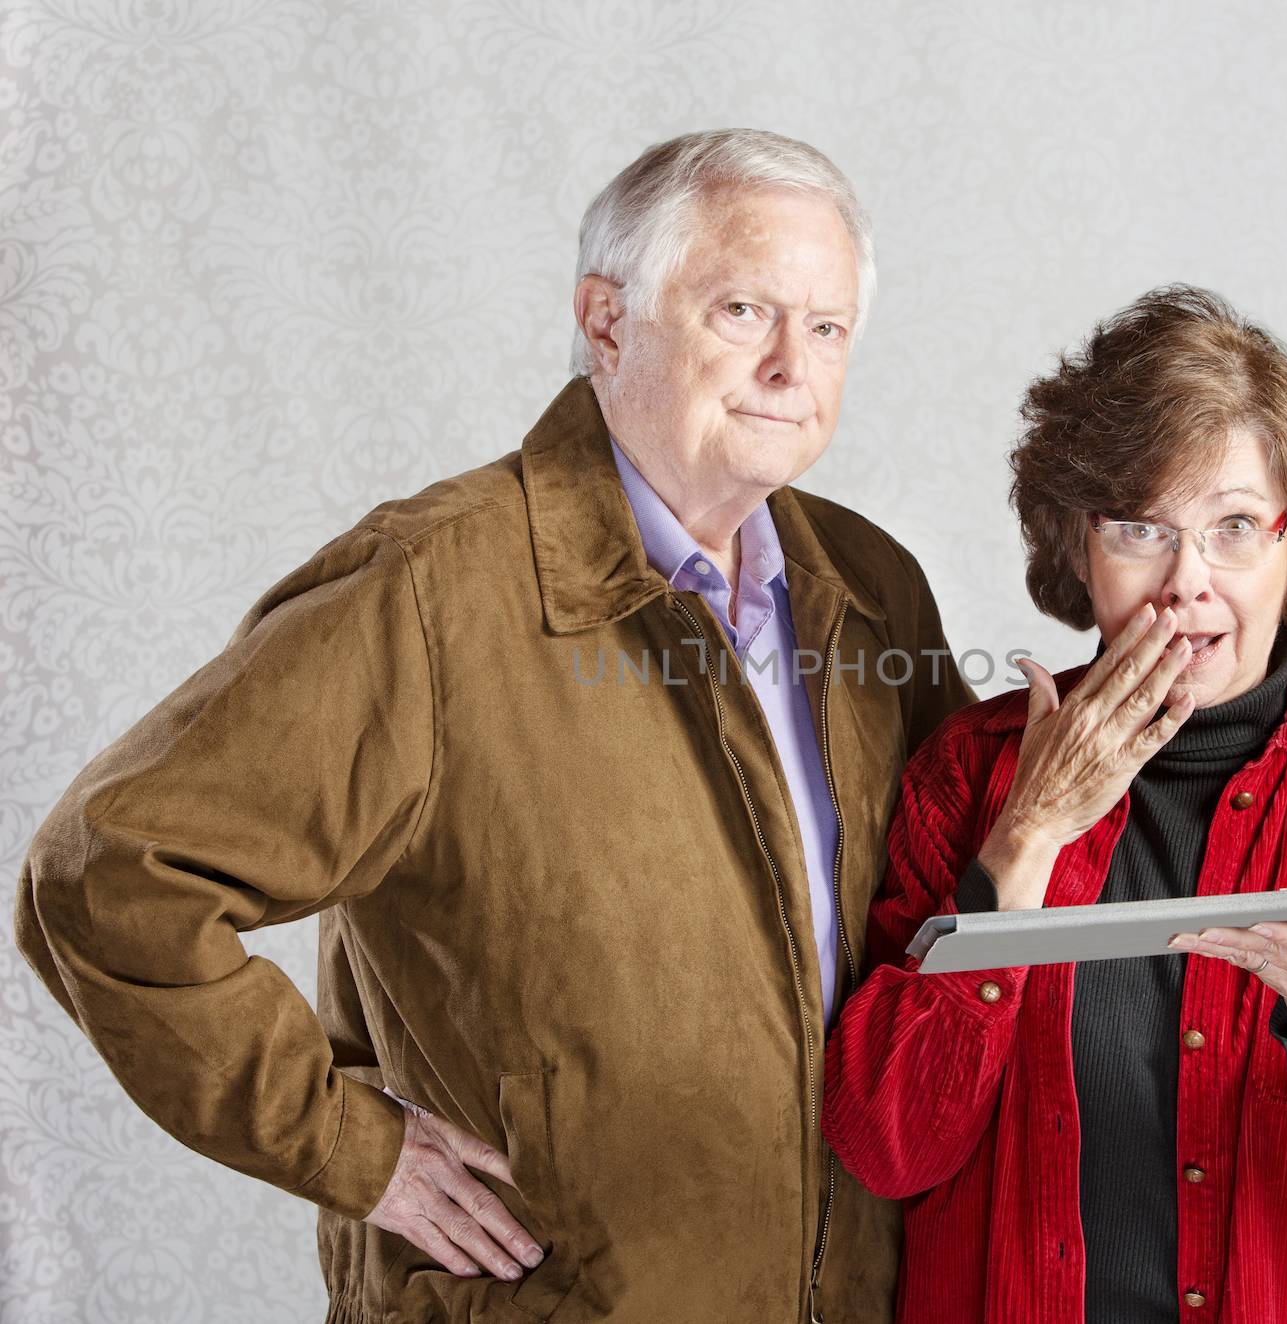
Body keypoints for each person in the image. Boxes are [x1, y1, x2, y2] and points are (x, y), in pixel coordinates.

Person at [13, 128, 974, 1323]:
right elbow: (110, 874)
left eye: (827, 328)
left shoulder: (873, 587)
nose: (793, 365)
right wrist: (354, 1149)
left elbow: (958, 920)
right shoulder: (429, 592)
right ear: (607, 318)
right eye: (743, 310)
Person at [820, 285, 1287, 1323]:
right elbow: (885, 1146)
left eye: (1233, 528)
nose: (1185, 583)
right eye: (1139, 529)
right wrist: (1024, 839)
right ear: (1078, 544)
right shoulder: (966, 773)